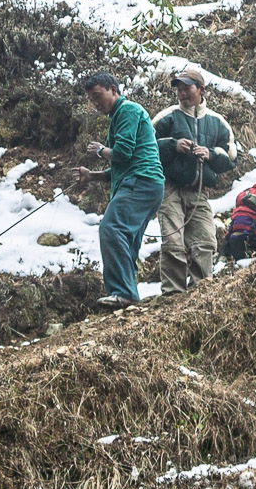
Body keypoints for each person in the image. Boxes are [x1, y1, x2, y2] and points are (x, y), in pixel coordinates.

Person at [67, 71, 166, 310]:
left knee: (111, 228)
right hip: (147, 183)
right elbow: (123, 165)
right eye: (91, 99)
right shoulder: (122, 115)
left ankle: (123, 292)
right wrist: (92, 176)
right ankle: (127, 296)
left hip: (140, 182)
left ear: (114, 89)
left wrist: (101, 150)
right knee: (127, 240)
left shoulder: (127, 110)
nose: (96, 103)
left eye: (98, 96)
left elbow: (122, 153)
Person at [150, 68, 238, 294]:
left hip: (199, 192)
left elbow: (230, 157)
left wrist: (210, 154)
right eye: (178, 89)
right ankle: (173, 293)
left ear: (200, 89)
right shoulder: (166, 117)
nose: (181, 94)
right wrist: (172, 145)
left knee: (205, 241)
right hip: (170, 188)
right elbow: (146, 148)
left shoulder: (217, 122)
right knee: (173, 241)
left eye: (186, 88)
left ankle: (201, 291)